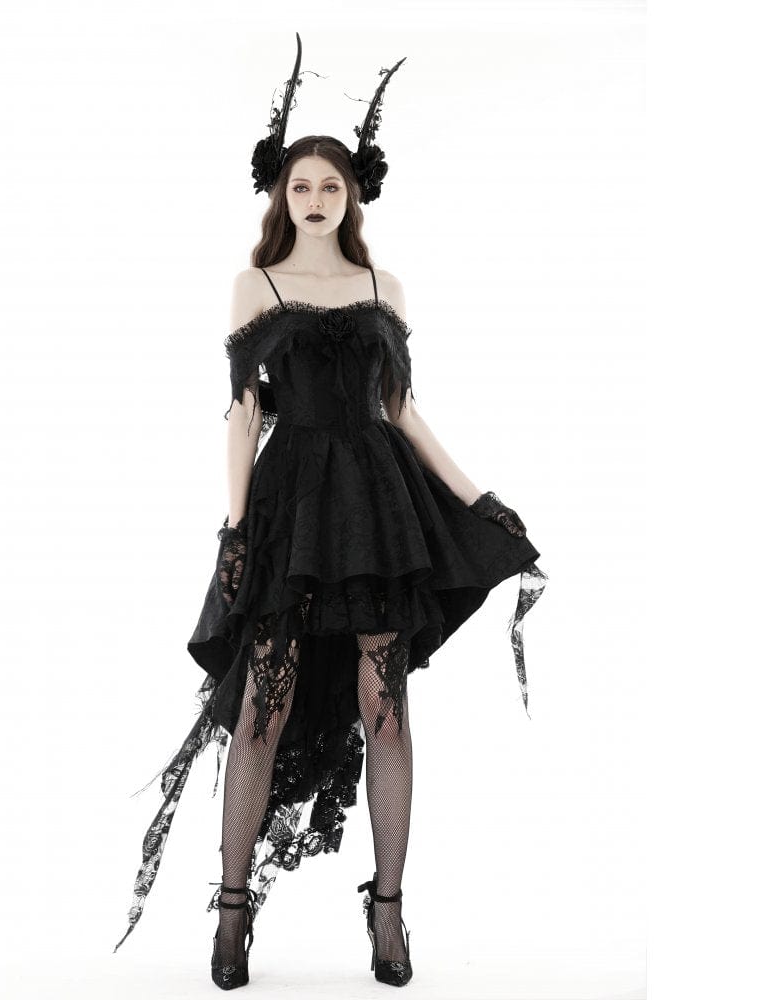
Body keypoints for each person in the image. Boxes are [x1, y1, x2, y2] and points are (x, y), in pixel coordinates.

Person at [113, 34, 548, 990]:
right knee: (260, 711)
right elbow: (242, 415)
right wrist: (235, 528)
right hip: (290, 510)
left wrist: (478, 498)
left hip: (378, 507)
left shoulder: (384, 287)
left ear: (353, 197)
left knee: (386, 711)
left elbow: (402, 409)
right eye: (301, 186)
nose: (315, 198)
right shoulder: (256, 286)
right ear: (281, 195)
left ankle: (387, 911)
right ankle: (233, 912)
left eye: (331, 187)